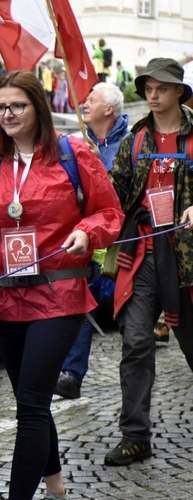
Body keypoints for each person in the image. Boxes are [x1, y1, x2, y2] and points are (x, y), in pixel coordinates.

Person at [0, 70, 123, 499]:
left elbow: (111, 213)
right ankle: (55, 485)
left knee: (31, 406)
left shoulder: (73, 154)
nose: (8, 114)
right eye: (0, 107)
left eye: (17, 105)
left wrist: (88, 232)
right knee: (29, 398)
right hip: (3, 296)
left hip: (59, 293)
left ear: (38, 107)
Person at [104, 57, 193, 466]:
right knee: (137, 342)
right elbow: (113, 195)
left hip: (189, 264)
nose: (153, 96)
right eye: (148, 89)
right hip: (141, 257)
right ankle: (135, 436)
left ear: (179, 91)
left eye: (161, 88)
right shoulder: (135, 141)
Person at [55, 82, 130, 399]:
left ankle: (135, 383)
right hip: (90, 244)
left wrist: (100, 168)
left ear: (109, 109)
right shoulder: (75, 143)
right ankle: (72, 374)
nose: (84, 103)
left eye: (92, 100)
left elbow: (126, 197)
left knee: (132, 321)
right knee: (81, 306)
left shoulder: (129, 143)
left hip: (126, 248)